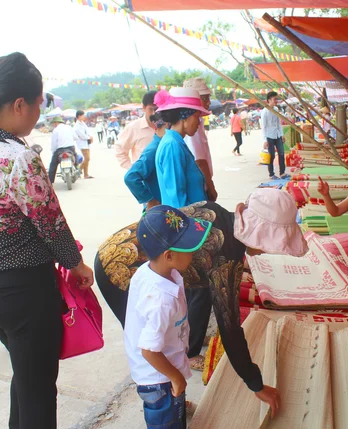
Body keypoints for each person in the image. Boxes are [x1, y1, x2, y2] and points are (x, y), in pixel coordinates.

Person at [0, 52, 94, 429]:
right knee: (39, 392)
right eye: (39, 101)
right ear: (19, 104)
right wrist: (77, 265)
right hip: (24, 296)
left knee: (26, 380)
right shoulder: (18, 158)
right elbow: (52, 226)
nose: (40, 109)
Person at [94, 188, 308, 418]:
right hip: (118, 269)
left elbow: (204, 291)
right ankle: (163, 403)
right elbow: (230, 330)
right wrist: (256, 384)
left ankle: (170, 394)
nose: (269, 250)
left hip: (118, 245)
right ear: (262, 235)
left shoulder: (219, 214)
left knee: (164, 340)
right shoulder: (225, 256)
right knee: (152, 348)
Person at [125, 205, 212, 429]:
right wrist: (175, 377)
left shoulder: (152, 271)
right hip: (159, 381)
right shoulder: (161, 300)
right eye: (188, 248)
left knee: (176, 418)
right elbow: (149, 350)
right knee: (167, 422)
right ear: (169, 255)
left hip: (164, 370)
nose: (193, 252)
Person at [154, 88, 209, 208]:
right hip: (186, 221)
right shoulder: (172, 146)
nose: (199, 123)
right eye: (197, 117)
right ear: (185, 117)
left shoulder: (176, 143)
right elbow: (177, 199)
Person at [183, 78, 218, 202]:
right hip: (199, 187)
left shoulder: (199, 121)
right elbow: (199, 161)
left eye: (208, 98)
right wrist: (210, 186)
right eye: (204, 98)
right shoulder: (192, 126)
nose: (208, 102)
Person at [124, 114, 167, 210]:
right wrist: (150, 200)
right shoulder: (153, 150)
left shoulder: (164, 145)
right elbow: (131, 177)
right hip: (160, 205)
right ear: (166, 125)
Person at [116, 91, 157, 170]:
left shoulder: (166, 126)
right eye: (150, 109)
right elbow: (119, 149)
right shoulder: (134, 127)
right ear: (144, 108)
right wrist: (133, 169)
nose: (153, 113)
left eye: (156, 109)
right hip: (144, 177)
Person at [262, 91, 287, 180]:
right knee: (271, 155)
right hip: (269, 136)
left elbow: (278, 123)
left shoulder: (276, 109)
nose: (276, 100)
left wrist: (282, 134)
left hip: (277, 135)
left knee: (281, 153)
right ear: (269, 100)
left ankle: (282, 173)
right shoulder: (265, 111)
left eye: (277, 99)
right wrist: (265, 140)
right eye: (274, 99)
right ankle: (271, 174)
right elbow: (263, 127)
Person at [48, 116, 79, 183]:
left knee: (53, 165)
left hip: (60, 150)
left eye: (53, 123)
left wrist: (53, 152)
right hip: (70, 148)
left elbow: (54, 143)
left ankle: (50, 182)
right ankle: (77, 169)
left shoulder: (55, 130)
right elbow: (76, 137)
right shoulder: (69, 127)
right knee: (75, 156)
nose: (53, 125)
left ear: (56, 123)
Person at [74, 110, 93, 179]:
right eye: (83, 115)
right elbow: (82, 135)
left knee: (87, 159)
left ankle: (86, 174)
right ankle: (78, 171)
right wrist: (89, 137)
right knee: (87, 158)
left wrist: (90, 137)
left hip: (86, 143)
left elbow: (87, 131)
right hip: (82, 143)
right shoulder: (77, 125)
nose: (84, 116)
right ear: (79, 116)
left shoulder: (82, 123)